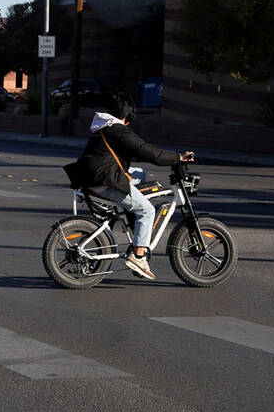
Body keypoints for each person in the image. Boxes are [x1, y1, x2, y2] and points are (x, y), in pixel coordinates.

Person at [63, 94, 193, 281]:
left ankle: (132, 223)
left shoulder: (105, 129)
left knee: (139, 173)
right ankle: (138, 256)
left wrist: (164, 157)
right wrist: (177, 158)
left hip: (90, 176)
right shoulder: (119, 130)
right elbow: (150, 153)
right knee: (147, 210)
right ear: (128, 117)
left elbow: (133, 153)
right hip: (104, 179)